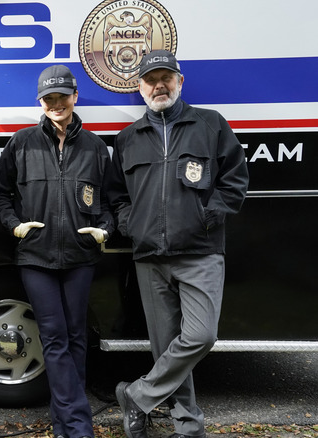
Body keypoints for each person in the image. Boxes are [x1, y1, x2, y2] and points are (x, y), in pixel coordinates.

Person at [105, 50, 249, 438]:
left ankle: (137, 395)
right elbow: (116, 195)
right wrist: (130, 223)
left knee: (201, 336)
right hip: (150, 257)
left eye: (166, 77)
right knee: (165, 347)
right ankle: (188, 427)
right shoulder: (128, 139)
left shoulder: (210, 124)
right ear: (139, 88)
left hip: (200, 252)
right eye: (151, 79)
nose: (159, 85)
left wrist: (208, 215)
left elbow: (235, 180)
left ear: (180, 82)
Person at [0, 65, 114, 438]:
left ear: (75, 97)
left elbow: (111, 201)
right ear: (41, 103)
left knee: (77, 335)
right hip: (36, 257)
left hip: (80, 255)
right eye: (49, 98)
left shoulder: (95, 147)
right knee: (54, 335)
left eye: (62, 96)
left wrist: (105, 229)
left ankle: (65, 423)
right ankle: (79, 425)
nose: (56, 103)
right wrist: (14, 225)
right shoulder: (22, 142)